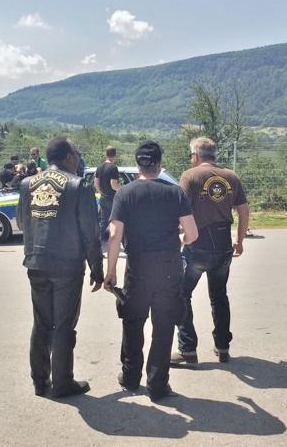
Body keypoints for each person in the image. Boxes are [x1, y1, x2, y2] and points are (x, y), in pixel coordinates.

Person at [104, 140, 198, 401]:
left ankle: (130, 376)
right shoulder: (175, 193)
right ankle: (158, 384)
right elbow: (192, 233)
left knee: (133, 322)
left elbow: (115, 235)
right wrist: (181, 241)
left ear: (138, 165)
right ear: (159, 163)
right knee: (164, 325)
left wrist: (110, 271)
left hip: (137, 267)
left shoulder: (125, 193)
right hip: (168, 268)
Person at [16, 137, 103, 398]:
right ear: (68, 157)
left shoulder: (27, 183)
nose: (79, 158)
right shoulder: (79, 185)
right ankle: (63, 382)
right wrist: (96, 267)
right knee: (64, 325)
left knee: (41, 322)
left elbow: (21, 222)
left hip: (36, 261)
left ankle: (40, 381)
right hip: (67, 264)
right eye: (77, 153)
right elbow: (90, 232)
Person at [171, 137, 249, 365]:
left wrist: (177, 238)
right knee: (219, 296)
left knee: (181, 294)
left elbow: (179, 210)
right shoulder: (231, 176)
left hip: (198, 243)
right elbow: (244, 211)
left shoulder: (190, 176)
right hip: (223, 243)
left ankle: (188, 348)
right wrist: (239, 240)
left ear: (196, 156)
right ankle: (223, 346)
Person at [94, 146, 120, 247]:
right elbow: (114, 185)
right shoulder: (113, 168)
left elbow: (96, 183)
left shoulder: (99, 167)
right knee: (117, 220)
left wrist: (101, 192)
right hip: (112, 199)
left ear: (106, 154)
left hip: (103, 197)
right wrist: (123, 190)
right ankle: (116, 242)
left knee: (103, 221)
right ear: (115, 155)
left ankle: (99, 244)